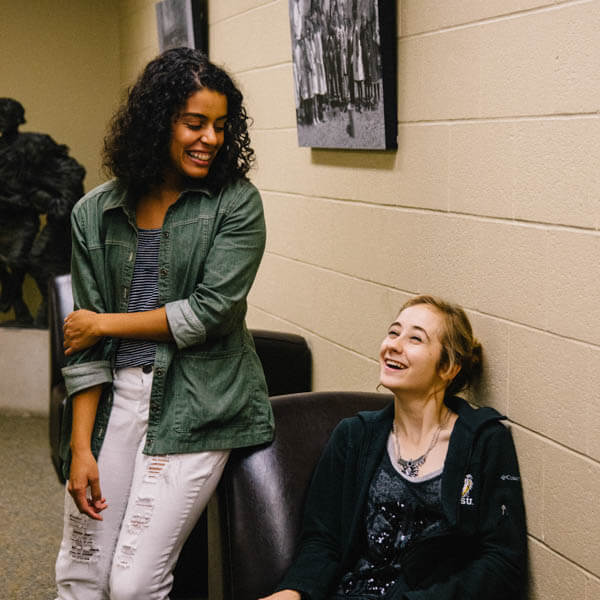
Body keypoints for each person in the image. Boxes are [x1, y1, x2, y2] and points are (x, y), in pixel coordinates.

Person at [54, 47, 274, 600]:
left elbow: (210, 312)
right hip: (115, 403)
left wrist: (106, 324)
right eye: (194, 123)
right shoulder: (94, 212)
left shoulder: (235, 204)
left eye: (221, 126)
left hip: (198, 404)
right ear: (158, 125)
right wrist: (81, 449)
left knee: (132, 585)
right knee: (79, 573)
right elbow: (84, 346)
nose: (211, 139)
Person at [262, 295, 527, 600]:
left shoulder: (484, 443)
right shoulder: (354, 436)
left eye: (415, 338)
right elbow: (323, 541)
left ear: (449, 367)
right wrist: (294, 591)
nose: (394, 345)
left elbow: (502, 563)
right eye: (393, 332)